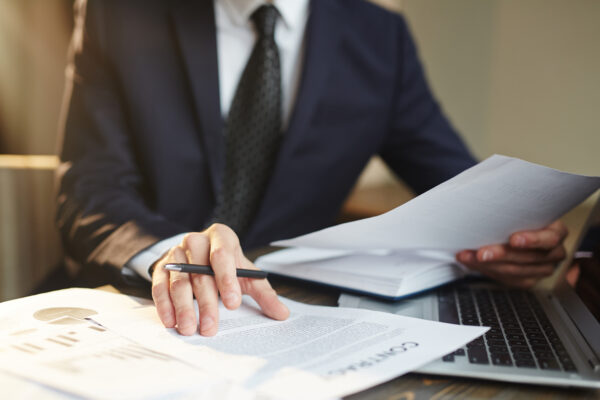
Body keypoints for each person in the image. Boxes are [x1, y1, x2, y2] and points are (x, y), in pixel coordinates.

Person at [57, 0, 567, 337]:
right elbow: (87, 189)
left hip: (287, 317)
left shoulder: (380, 37)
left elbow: (461, 192)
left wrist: (511, 241)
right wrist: (165, 253)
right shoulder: (118, 11)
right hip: (129, 308)